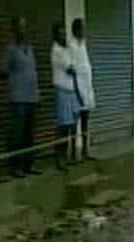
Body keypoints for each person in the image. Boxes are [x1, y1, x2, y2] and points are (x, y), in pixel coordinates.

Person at [1, 16, 40, 178]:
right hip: (17, 98)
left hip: (31, 97)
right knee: (17, 134)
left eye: (25, 27)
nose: (23, 30)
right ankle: (14, 167)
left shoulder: (29, 48)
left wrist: (38, 92)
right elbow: (2, 71)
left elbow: (34, 71)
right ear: (14, 30)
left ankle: (28, 165)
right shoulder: (10, 49)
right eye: (20, 27)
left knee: (29, 133)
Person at [51, 23, 80, 171]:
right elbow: (71, 69)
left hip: (71, 91)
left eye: (64, 33)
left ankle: (69, 155)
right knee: (62, 126)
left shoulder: (66, 50)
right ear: (55, 36)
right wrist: (73, 64)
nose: (64, 36)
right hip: (62, 91)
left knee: (72, 125)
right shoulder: (56, 51)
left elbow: (76, 65)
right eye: (60, 34)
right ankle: (59, 158)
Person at [70, 18, 96, 161]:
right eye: (82, 29)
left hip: (87, 88)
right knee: (75, 123)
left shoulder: (83, 44)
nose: (84, 31)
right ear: (76, 30)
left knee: (86, 121)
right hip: (78, 89)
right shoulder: (72, 46)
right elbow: (73, 70)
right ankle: (74, 153)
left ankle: (86, 151)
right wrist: (77, 91)